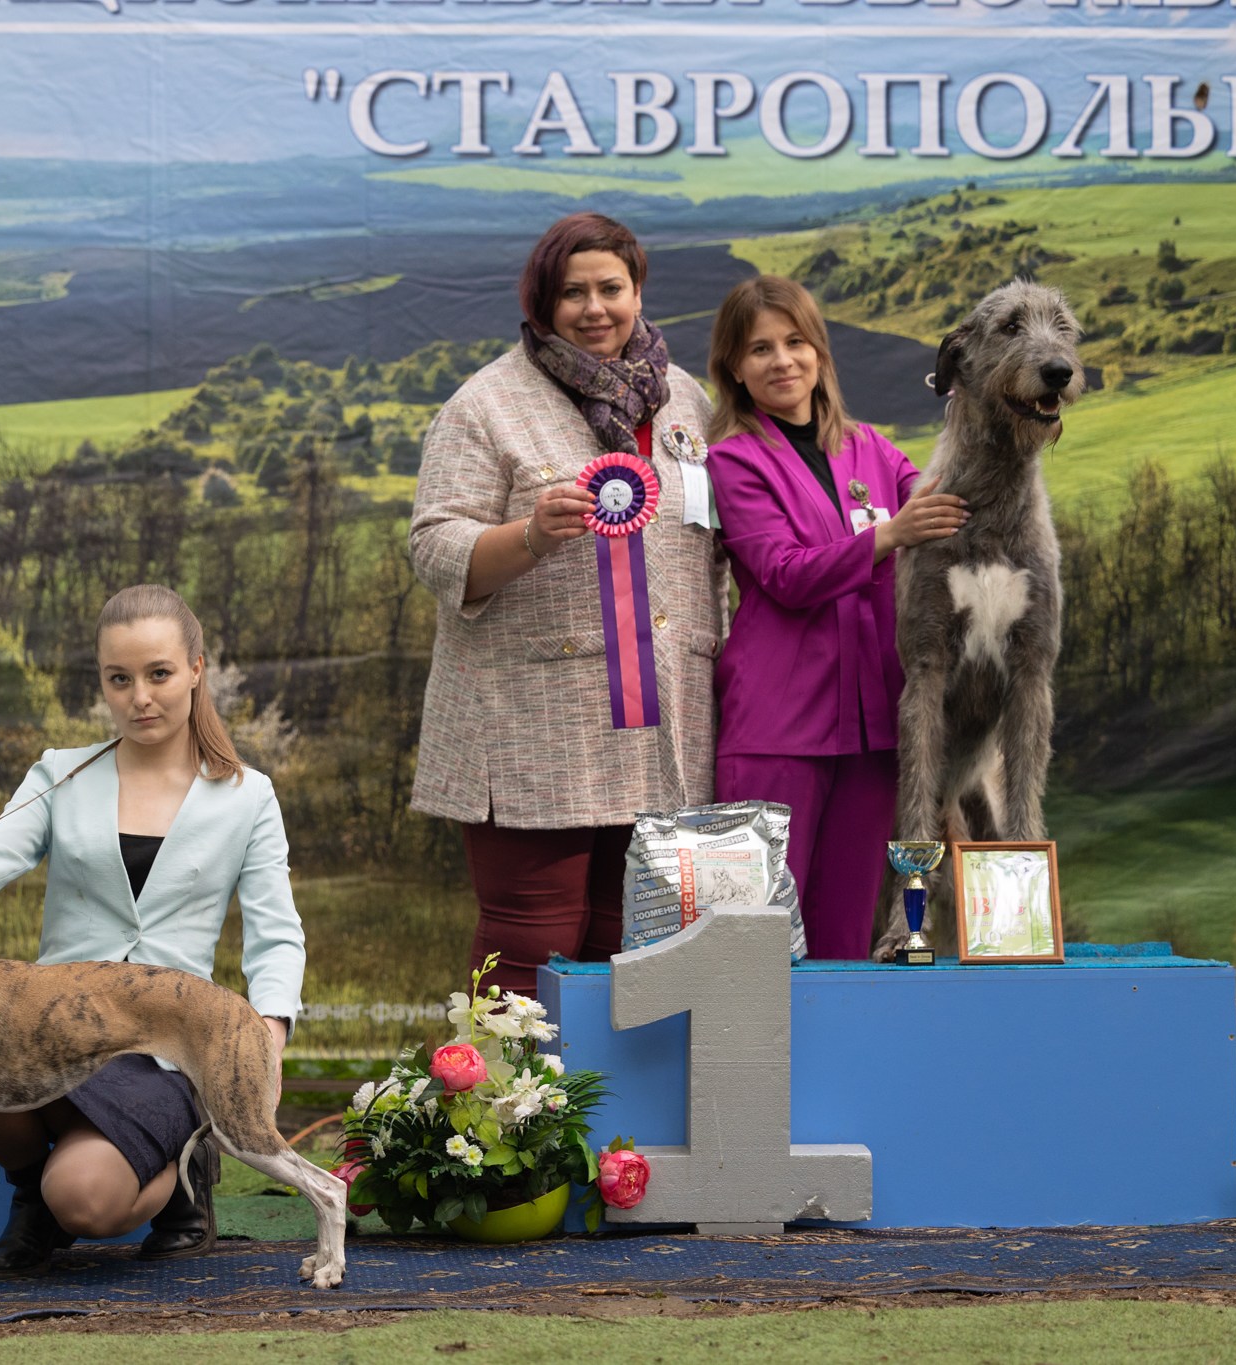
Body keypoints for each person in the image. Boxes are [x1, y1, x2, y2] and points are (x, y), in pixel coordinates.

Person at [0, 584, 305, 1269]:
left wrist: (267, 1031)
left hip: (165, 1045)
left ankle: (185, 1174)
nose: (140, 697)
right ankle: (31, 1195)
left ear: (195, 669)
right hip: (53, 1025)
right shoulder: (60, 773)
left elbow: (277, 930)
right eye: (119, 679)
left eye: (158, 674)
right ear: (102, 681)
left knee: (86, 1198)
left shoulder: (249, 795)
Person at [408, 211, 727, 995]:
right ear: (542, 303)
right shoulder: (485, 404)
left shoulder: (686, 400)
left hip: (663, 718)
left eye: (610, 288)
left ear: (638, 291)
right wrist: (528, 537)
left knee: (639, 942)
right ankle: (510, 1115)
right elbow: (433, 545)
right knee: (533, 940)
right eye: (572, 292)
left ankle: (616, 1114)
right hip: (529, 723)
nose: (594, 308)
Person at [703, 275, 967, 959]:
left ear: (820, 351)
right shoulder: (733, 460)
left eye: (795, 341)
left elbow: (948, 506)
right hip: (778, 726)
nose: (782, 360)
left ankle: (828, 1069)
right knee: (757, 942)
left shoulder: (872, 448)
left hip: (874, 729)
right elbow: (786, 575)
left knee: (845, 936)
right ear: (734, 366)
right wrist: (888, 536)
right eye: (760, 348)